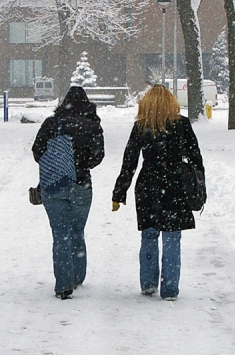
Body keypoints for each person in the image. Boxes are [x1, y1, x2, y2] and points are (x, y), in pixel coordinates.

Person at [112, 84, 204, 301]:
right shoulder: (182, 125)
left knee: (149, 235)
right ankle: (170, 288)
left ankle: (148, 283)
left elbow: (130, 162)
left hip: (148, 186)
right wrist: (199, 186)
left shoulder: (142, 126)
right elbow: (195, 158)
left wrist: (119, 192)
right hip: (175, 186)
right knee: (172, 237)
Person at [32, 86, 105, 300]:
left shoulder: (51, 124)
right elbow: (98, 157)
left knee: (60, 233)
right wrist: (80, 164)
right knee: (77, 230)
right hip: (81, 184)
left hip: (53, 184)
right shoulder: (93, 126)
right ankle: (77, 276)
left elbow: (37, 152)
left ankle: (63, 284)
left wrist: (58, 162)